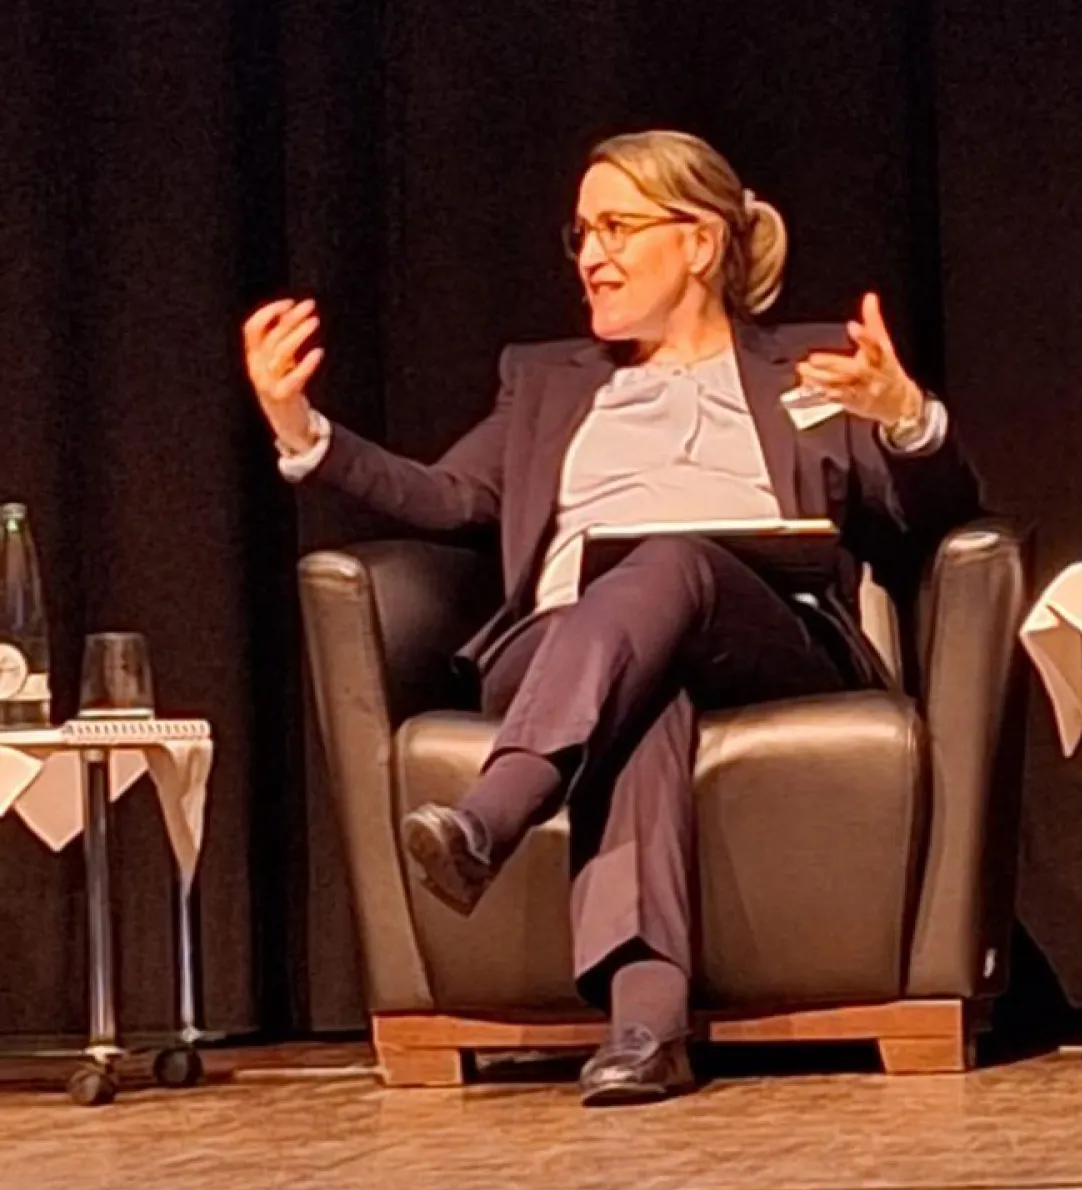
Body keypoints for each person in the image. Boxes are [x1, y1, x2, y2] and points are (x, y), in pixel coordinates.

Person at [242, 130, 982, 1105]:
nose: (592, 255)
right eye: (583, 232)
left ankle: (492, 814)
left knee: (667, 559)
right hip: (562, 646)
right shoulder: (550, 382)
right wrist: (302, 430)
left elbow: (931, 523)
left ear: (701, 244)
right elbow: (446, 496)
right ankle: (643, 1030)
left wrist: (903, 419)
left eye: (619, 227)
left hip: (764, 638)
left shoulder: (810, 367)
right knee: (644, 691)